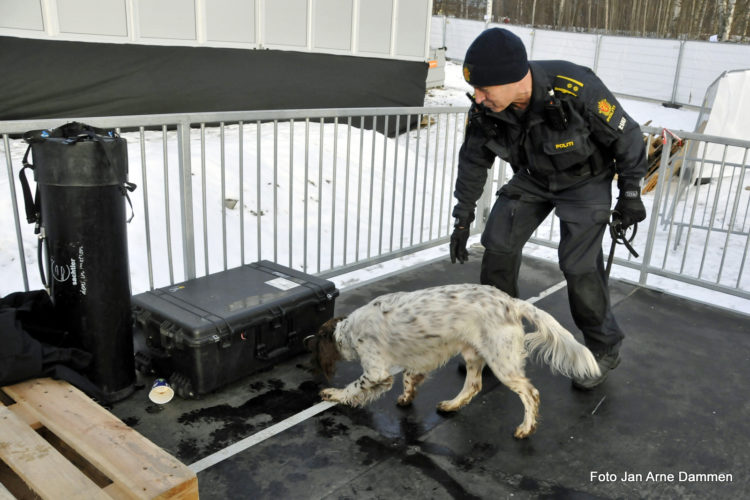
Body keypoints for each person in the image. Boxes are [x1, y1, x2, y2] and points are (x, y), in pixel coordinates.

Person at [449, 28, 647, 389]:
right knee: (498, 245)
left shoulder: (576, 87)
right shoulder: (487, 107)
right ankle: (501, 343)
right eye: (475, 90)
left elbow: (628, 135)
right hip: (533, 177)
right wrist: (463, 215)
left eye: (484, 90)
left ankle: (603, 348)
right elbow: (473, 159)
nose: (477, 98)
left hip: (585, 180)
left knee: (578, 264)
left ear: (513, 79)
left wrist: (631, 192)